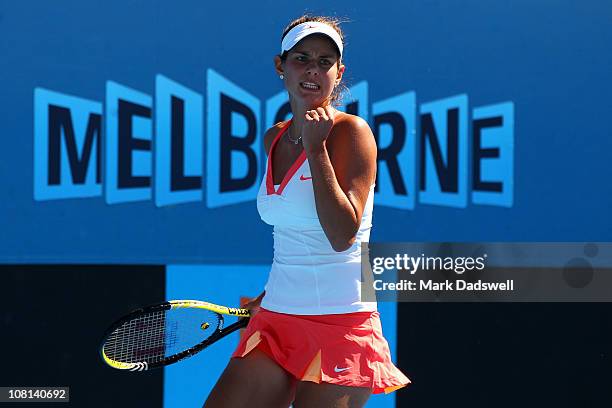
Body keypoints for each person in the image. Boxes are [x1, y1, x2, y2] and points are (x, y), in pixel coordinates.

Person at [204, 15, 410, 408]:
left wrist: (317, 151)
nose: (313, 69)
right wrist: (270, 293)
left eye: (324, 61)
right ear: (280, 66)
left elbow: (341, 235)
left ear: (339, 71)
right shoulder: (273, 138)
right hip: (277, 318)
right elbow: (293, 234)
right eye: (301, 58)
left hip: (343, 321)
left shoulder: (353, 132)